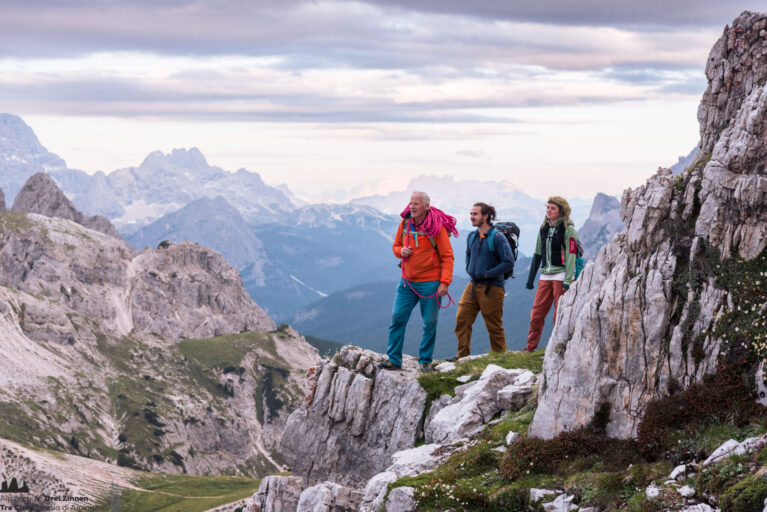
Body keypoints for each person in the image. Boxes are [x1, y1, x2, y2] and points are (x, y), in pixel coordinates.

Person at [379, 191, 456, 372]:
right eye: (411, 203)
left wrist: (445, 282)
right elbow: (395, 246)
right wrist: (401, 252)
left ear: (426, 206)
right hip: (407, 282)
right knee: (397, 318)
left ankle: (425, 361)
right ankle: (394, 359)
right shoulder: (405, 224)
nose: (412, 207)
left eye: (416, 204)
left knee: (429, 323)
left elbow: (447, 256)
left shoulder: (436, 228)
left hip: (431, 283)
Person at [453, 202, 514, 358]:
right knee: (462, 318)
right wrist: (469, 269)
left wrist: (487, 274)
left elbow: (508, 262)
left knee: (493, 325)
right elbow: (468, 254)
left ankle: (500, 359)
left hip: (492, 287)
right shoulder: (471, 236)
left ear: (486, 216)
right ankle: (463, 358)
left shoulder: (498, 237)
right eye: (471, 214)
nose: (471, 217)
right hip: (473, 285)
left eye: (475, 214)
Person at [524, 196, 578, 352]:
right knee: (536, 314)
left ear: (561, 211)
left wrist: (568, 281)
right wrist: (530, 279)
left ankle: (558, 348)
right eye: (547, 208)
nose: (548, 211)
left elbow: (571, 256)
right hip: (545, 276)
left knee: (558, 315)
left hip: (561, 277)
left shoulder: (569, 230)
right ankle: (530, 348)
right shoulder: (543, 228)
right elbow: (537, 254)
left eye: (552, 208)